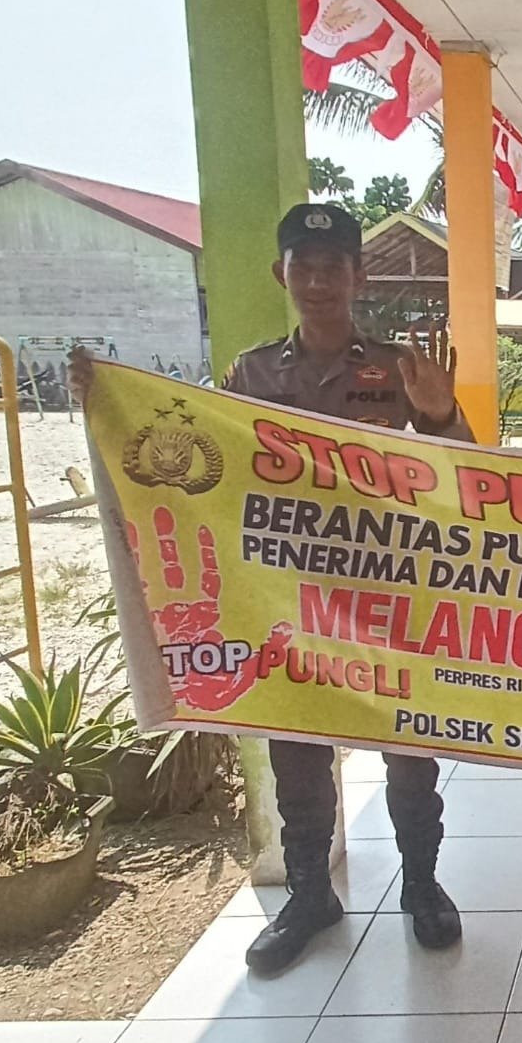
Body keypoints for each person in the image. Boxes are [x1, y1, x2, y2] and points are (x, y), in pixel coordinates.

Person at [69, 202, 473, 975]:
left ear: (358, 276)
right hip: (285, 600)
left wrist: (441, 415)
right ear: (280, 274)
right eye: (303, 267)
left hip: (386, 599)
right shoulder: (250, 376)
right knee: (296, 756)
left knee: (409, 750)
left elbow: (466, 477)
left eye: (333, 268)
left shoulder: (400, 369)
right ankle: (310, 895)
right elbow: (192, 456)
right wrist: (106, 398)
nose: (318, 281)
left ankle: (422, 885)